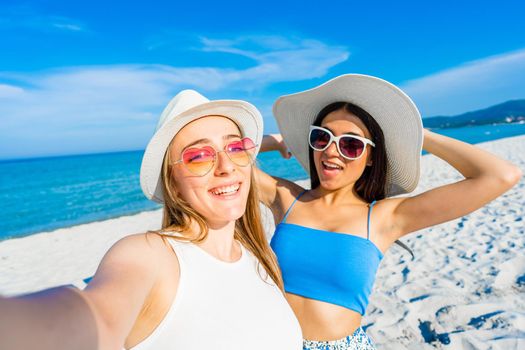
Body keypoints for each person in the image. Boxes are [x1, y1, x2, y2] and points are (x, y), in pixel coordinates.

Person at [0, 90, 303, 350]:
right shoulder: (152, 256)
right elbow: (97, 316)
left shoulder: (262, 259)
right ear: (172, 182)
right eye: (198, 156)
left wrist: (275, 142)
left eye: (235, 148)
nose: (226, 166)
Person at [256, 74, 522, 349]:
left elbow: (501, 175)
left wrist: (421, 136)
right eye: (322, 137)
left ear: (371, 156)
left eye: (350, 144)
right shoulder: (285, 197)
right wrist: (274, 142)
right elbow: (223, 155)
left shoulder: (386, 217)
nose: (332, 151)